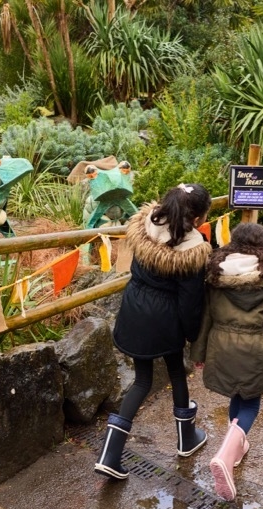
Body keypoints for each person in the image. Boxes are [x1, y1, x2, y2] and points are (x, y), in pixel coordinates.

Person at [94, 183, 213, 480]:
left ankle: (111, 453)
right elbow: (190, 302)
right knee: (176, 372)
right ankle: (186, 439)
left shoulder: (146, 224)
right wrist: (191, 334)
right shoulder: (193, 249)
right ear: (197, 218)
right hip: (166, 318)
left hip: (134, 309)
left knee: (142, 381)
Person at [190, 223, 263, 501]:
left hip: (221, 346)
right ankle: (225, 455)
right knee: (250, 400)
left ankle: (236, 446)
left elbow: (205, 318)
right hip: (254, 348)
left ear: (233, 243)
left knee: (237, 392)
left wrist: (198, 354)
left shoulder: (215, 275)